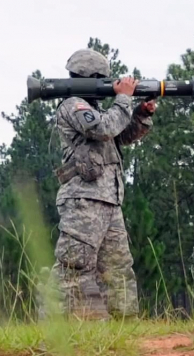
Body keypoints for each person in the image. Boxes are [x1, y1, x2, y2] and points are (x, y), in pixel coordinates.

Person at [39, 48, 157, 321]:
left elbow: (118, 136)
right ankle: (52, 330)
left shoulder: (97, 109)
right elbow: (102, 129)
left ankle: (124, 330)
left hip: (109, 201)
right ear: (90, 77)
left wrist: (139, 113)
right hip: (84, 201)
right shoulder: (74, 105)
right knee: (74, 266)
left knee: (118, 269)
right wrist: (124, 99)